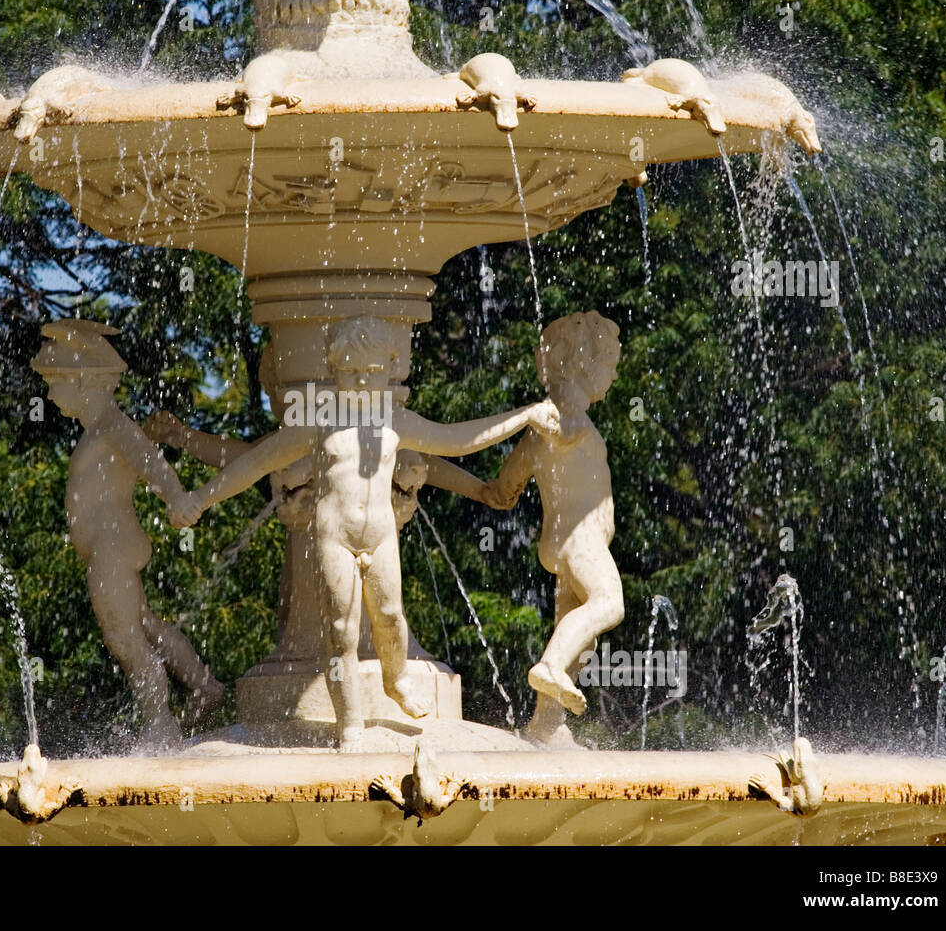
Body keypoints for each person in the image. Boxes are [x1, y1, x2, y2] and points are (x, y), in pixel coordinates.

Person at [170, 315, 560, 751]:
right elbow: (254, 464)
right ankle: (349, 723)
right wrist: (199, 499)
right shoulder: (318, 423)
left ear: (388, 372)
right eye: (350, 371)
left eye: (371, 373)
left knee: (391, 617)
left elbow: (458, 439)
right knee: (341, 631)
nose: (360, 381)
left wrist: (526, 415)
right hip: (332, 537)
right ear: (333, 370)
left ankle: (396, 679)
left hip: (380, 536)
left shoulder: (396, 421)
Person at [32, 319, 224, 748]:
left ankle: (160, 724)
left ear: (82, 382)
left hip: (112, 550)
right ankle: (203, 685)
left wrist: (175, 496)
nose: (48, 395)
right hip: (111, 547)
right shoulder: (101, 428)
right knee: (143, 625)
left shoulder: (113, 427)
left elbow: (150, 463)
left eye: (54, 383)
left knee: (124, 639)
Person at [481, 311, 624, 749]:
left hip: (559, 540)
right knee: (608, 603)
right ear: (584, 365)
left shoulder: (542, 433)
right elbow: (564, 430)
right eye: (611, 364)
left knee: (579, 633)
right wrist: (556, 422)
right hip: (581, 538)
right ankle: (550, 666)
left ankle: (546, 723)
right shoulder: (570, 418)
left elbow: (507, 483)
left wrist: (497, 491)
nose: (614, 373)